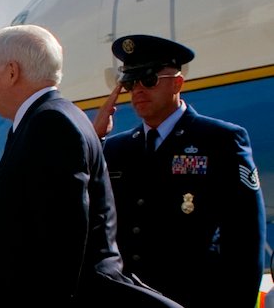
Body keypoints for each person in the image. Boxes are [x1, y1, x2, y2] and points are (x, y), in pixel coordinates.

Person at [0, 25, 184, 308]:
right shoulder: (43, 120)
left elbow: (60, 247)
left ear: (12, 72)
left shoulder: (50, 125)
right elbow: (29, 239)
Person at [93, 34, 266, 308]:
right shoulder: (116, 149)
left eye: (148, 80)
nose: (138, 91)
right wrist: (94, 140)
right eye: (130, 82)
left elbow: (246, 239)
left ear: (177, 83)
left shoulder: (219, 141)